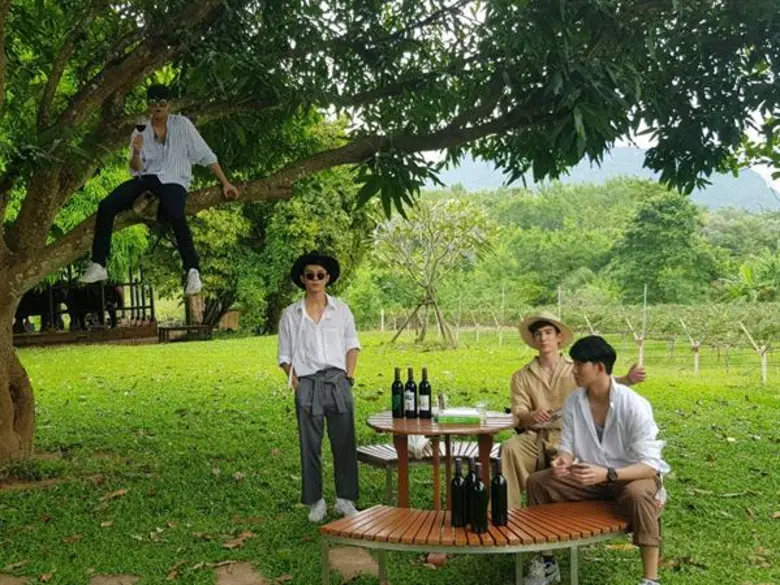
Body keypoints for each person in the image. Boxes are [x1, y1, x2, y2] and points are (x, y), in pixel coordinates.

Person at [524, 335, 669, 585]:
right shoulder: (574, 402)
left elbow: (650, 466)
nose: (574, 370)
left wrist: (609, 474)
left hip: (631, 476)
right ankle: (547, 561)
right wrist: (562, 461)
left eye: (580, 364)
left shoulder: (633, 405)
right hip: (591, 477)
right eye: (574, 364)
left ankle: (650, 579)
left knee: (638, 494)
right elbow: (568, 445)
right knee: (538, 482)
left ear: (599, 367)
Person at [79, 84, 239, 295]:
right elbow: (135, 168)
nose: (158, 107)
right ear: (148, 105)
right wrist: (137, 152)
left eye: (162, 103)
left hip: (174, 178)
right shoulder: (140, 129)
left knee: (175, 213)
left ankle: (192, 270)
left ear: (169, 105)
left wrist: (225, 182)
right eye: (153, 102)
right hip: (148, 177)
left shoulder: (182, 124)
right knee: (107, 205)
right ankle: (99, 263)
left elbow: (205, 154)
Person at [501, 313, 645, 509]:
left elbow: (603, 381)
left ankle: (577, 513)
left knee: (575, 464)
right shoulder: (521, 376)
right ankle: (507, 512)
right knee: (510, 448)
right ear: (533, 340)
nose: (543, 338)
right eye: (538, 334)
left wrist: (628, 379)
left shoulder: (576, 369)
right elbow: (518, 412)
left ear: (559, 337)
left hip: (570, 435)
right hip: (535, 436)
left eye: (548, 332)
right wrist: (531, 415)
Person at [277, 251, 361, 523]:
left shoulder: (341, 310)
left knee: (344, 442)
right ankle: (316, 501)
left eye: (320, 275)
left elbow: (352, 346)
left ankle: (345, 500)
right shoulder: (291, 315)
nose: (315, 279)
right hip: (308, 383)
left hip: (338, 382)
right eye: (310, 275)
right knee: (309, 446)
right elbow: (284, 357)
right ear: (302, 279)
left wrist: (348, 378)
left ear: (328, 278)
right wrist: (298, 385)